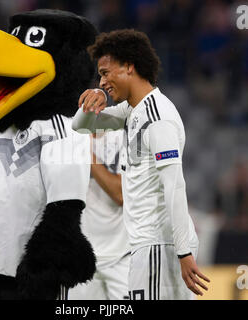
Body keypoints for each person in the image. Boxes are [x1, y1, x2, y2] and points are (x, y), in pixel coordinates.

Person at [72, 29, 210, 299]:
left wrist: (183, 252)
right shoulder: (132, 111)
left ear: (129, 66)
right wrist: (91, 99)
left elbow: (174, 186)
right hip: (145, 248)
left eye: (105, 72)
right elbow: (82, 126)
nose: (102, 82)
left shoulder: (158, 118)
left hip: (162, 247)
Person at [68, 129, 130, 300]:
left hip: (122, 256)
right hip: (81, 259)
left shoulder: (123, 136)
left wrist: (86, 154)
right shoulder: (65, 138)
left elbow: (121, 194)